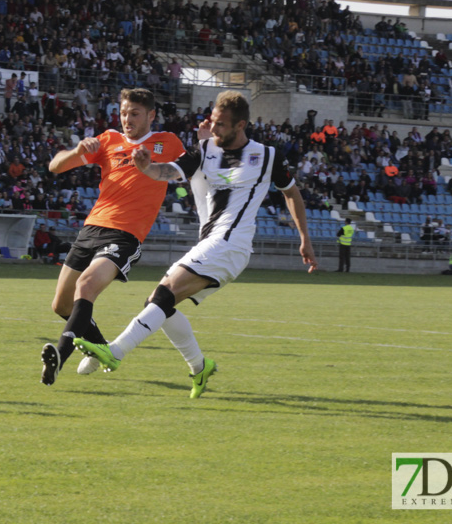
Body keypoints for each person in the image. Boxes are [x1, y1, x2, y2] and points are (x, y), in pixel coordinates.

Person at [74, 91, 318, 398]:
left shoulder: (266, 156)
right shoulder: (204, 150)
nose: (214, 129)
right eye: (212, 122)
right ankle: (200, 366)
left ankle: (115, 351)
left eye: (221, 125)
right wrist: (147, 166)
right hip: (214, 242)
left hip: (231, 243)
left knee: (163, 295)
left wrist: (305, 239)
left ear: (240, 125)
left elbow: (292, 193)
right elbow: (169, 172)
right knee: (160, 302)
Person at [39, 88, 185, 386]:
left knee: (87, 284)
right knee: (61, 306)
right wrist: (78, 151)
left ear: (151, 115)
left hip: (126, 234)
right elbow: (55, 166)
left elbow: (191, 170)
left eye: (134, 114)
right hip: (92, 227)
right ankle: (101, 349)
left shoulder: (167, 143)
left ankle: (60, 355)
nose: (127, 120)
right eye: (123, 113)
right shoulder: (107, 140)